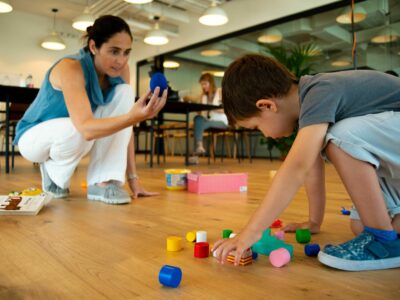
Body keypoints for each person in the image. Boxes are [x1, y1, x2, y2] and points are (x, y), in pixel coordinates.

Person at [212, 54, 400, 271]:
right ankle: (385, 233)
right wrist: (314, 221)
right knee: (360, 226)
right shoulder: (311, 107)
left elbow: (297, 168)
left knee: (341, 135)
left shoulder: (320, 91)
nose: (263, 134)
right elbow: (312, 168)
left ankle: (384, 241)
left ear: (267, 106)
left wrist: (251, 232)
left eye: (256, 127)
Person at [14, 15, 167, 204]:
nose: (121, 60)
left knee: (125, 92)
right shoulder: (70, 68)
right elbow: (87, 129)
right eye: (114, 51)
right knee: (80, 129)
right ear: (94, 47)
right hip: (34, 138)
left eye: (127, 52)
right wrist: (132, 118)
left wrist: (133, 179)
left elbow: (124, 127)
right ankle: (53, 174)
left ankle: (103, 182)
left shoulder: (121, 71)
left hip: (73, 133)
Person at [190, 73, 228, 155]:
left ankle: (196, 153)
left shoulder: (220, 92)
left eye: (205, 84)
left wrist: (212, 108)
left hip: (221, 122)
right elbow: (201, 113)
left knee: (197, 126)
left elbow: (227, 110)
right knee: (197, 119)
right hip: (207, 121)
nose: (203, 86)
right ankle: (199, 146)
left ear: (211, 83)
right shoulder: (203, 96)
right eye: (202, 84)